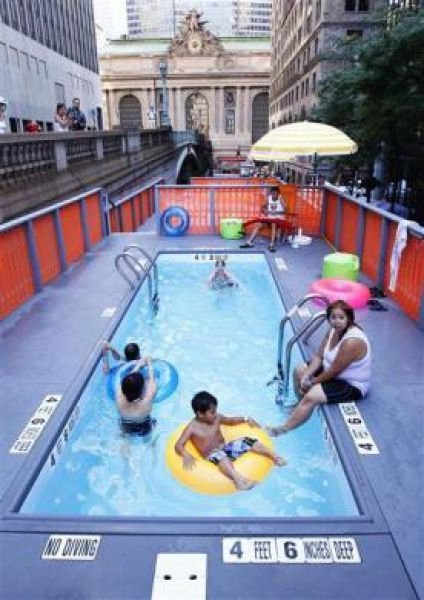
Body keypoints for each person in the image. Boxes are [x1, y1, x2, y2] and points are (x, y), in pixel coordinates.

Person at [266, 300, 371, 436]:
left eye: (341, 317)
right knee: (299, 370)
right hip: (333, 371)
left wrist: (312, 382)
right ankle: (300, 407)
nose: (336, 321)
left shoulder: (352, 342)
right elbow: (319, 356)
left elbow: (334, 371)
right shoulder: (333, 330)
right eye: (333, 317)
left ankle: (282, 430)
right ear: (328, 319)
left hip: (350, 384)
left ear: (349, 319)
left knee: (312, 395)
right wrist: (306, 376)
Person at [175, 391, 286, 491]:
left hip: (226, 448)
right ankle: (238, 481)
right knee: (221, 457)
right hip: (212, 455)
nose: (215, 414)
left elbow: (230, 421)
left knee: (248, 441)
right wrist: (185, 454)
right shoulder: (192, 428)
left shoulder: (216, 418)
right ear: (200, 414)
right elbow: (179, 444)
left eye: (215, 410)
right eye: (212, 412)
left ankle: (275, 457)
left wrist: (245, 419)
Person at [117, 356, 157, 436]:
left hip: (125, 425)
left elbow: (127, 379)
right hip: (144, 425)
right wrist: (149, 362)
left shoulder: (119, 395)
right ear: (142, 391)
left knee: (125, 441)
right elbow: (152, 380)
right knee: (151, 432)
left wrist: (138, 365)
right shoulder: (147, 399)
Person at [240, 187, 287, 252]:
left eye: (275, 194)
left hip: (279, 219)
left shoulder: (281, 199)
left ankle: (271, 245)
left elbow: (285, 211)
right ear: (270, 193)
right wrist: (265, 210)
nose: (274, 195)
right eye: (272, 194)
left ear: (278, 194)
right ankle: (249, 242)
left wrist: (276, 212)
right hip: (269, 218)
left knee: (274, 224)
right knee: (258, 224)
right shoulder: (268, 198)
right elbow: (262, 208)